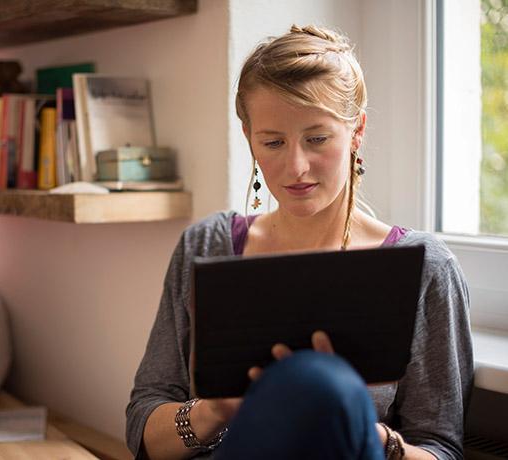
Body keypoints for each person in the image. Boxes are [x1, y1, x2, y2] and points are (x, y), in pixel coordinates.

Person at [126, 24, 473, 460]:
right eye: (272, 142)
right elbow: (143, 428)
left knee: (319, 384)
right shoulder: (208, 245)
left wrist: (359, 427)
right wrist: (216, 411)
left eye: (317, 139)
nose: (296, 167)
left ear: (357, 131)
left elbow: (442, 449)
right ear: (250, 140)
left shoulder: (425, 267)